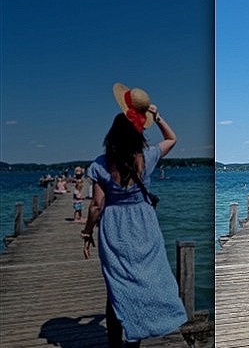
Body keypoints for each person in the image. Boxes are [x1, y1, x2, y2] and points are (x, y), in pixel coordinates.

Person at [80, 83, 187, 347]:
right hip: (144, 225)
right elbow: (172, 139)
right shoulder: (147, 157)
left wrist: (87, 232)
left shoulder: (101, 164)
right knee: (144, 283)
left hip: (114, 226)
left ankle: (115, 343)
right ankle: (136, 338)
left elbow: (96, 205)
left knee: (116, 288)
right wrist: (158, 116)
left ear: (111, 136)